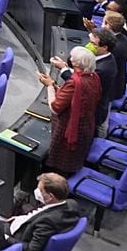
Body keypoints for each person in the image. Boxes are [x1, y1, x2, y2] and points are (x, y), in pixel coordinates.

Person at [40, 47, 102, 176]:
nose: (70, 58)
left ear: (76, 64)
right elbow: (75, 97)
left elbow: (55, 107)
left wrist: (50, 86)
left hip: (69, 129)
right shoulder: (94, 77)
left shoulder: (75, 82)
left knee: (61, 165)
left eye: (72, 57)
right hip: (86, 126)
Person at [9, 175, 81, 251]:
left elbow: (31, 250)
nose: (36, 191)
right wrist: (21, 219)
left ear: (50, 196)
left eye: (39, 190)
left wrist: (7, 238)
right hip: (22, 227)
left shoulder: (48, 221)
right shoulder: (71, 204)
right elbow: (40, 214)